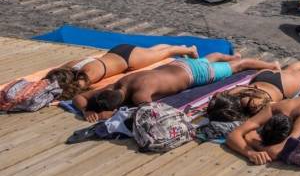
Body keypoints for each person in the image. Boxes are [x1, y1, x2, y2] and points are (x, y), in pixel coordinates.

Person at [73, 54, 279, 122]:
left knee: (239, 67)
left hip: (194, 75)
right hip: (179, 65)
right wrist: (86, 108)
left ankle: (271, 65)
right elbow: (80, 98)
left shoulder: (140, 96)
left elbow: (145, 114)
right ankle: (228, 56)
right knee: (210, 59)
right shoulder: (118, 84)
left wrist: (100, 115)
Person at [44, 44, 199, 100]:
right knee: (152, 52)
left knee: (166, 53)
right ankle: (182, 45)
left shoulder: (88, 73)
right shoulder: (71, 65)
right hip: (119, 52)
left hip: (128, 59)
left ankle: (191, 50)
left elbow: (77, 90)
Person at [207, 57, 300, 122]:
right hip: (261, 76)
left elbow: (273, 107)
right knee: (289, 70)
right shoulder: (232, 94)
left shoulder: (252, 107)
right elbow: (216, 95)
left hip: (282, 87)